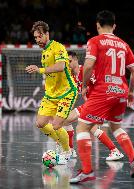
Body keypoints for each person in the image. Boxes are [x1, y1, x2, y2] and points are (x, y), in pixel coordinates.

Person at [70, 10, 134, 183]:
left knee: (82, 128)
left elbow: (87, 66)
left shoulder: (94, 41)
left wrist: (85, 85)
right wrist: (131, 91)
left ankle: (87, 171)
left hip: (103, 91)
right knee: (116, 126)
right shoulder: (124, 44)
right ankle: (133, 159)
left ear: (97, 25)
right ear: (114, 26)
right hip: (121, 92)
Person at [25, 21, 78, 165]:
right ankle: (61, 141)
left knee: (56, 125)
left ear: (47, 34)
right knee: (40, 123)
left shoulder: (58, 47)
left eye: (39, 36)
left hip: (67, 92)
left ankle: (67, 151)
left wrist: (39, 69)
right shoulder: (44, 52)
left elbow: (60, 66)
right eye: (35, 37)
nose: (37, 40)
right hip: (51, 94)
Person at [63, 51, 124, 161]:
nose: (68, 64)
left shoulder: (86, 71)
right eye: (66, 62)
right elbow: (75, 94)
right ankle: (114, 150)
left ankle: (70, 150)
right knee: (91, 128)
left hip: (97, 103)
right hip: (90, 104)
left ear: (76, 60)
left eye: (70, 61)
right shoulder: (71, 76)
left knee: (67, 120)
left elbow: (101, 85)